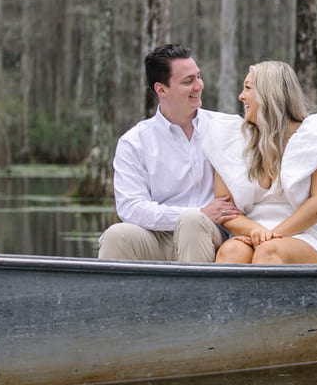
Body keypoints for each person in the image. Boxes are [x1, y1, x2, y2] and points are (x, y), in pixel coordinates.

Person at [97, 44, 244, 262]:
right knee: (116, 235)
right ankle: (112, 297)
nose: (199, 86)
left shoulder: (228, 127)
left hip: (211, 235)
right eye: (188, 81)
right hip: (157, 238)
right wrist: (197, 211)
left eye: (198, 77)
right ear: (161, 90)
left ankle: (194, 297)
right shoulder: (134, 142)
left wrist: (200, 217)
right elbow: (130, 208)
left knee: (193, 223)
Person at [202, 61, 317, 264]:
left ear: (268, 93)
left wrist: (270, 236)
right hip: (250, 233)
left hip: (303, 235)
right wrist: (257, 231)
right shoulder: (231, 140)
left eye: (248, 88)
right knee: (231, 252)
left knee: (269, 251)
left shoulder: (316, 136)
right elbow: (225, 209)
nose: (241, 96)